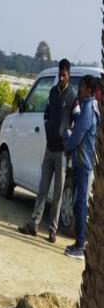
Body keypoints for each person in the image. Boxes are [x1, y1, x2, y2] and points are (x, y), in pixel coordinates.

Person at [18, 59, 76, 243]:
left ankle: (52, 230)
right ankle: (33, 225)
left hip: (62, 153)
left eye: (64, 75)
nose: (61, 77)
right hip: (49, 150)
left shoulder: (73, 97)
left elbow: (76, 121)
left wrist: (67, 139)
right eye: (60, 74)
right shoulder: (52, 93)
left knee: (58, 194)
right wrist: (48, 128)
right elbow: (46, 113)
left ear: (69, 76)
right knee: (42, 189)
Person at [63, 75, 100, 260]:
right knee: (78, 203)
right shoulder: (89, 106)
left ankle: (80, 246)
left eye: (83, 87)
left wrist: (67, 145)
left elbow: (77, 135)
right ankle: (78, 243)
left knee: (80, 204)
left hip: (83, 164)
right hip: (81, 162)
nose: (80, 89)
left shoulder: (87, 109)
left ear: (89, 90)